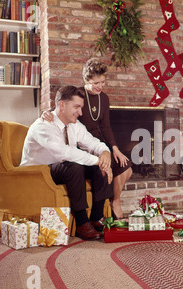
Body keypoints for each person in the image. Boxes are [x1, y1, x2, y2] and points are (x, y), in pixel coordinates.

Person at [43, 58, 133, 219]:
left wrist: (114, 148)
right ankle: (101, 211)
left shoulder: (104, 98)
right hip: (79, 144)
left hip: (97, 143)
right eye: (95, 83)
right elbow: (59, 108)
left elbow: (105, 126)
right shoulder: (77, 94)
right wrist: (46, 112)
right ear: (86, 80)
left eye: (103, 82)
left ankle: (115, 201)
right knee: (104, 168)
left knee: (125, 166)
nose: (100, 86)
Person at [20, 85, 114, 240]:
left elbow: (93, 143)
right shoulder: (43, 125)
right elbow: (64, 152)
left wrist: (104, 154)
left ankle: (96, 219)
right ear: (62, 105)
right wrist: (97, 160)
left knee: (100, 168)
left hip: (63, 168)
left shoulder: (75, 125)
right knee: (75, 167)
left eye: (81, 107)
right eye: (76, 107)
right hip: (37, 172)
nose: (81, 112)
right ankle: (82, 223)